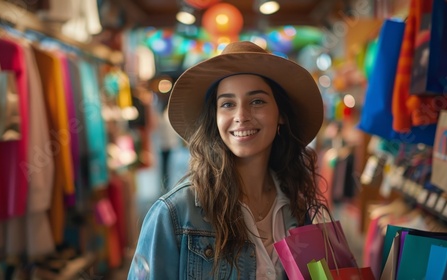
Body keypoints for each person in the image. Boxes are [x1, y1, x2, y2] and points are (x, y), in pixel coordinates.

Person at [128, 41, 326, 279]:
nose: (241, 116)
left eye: (257, 101)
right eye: (228, 104)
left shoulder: (297, 205)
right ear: (216, 116)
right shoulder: (175, 213)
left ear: (281, 114)